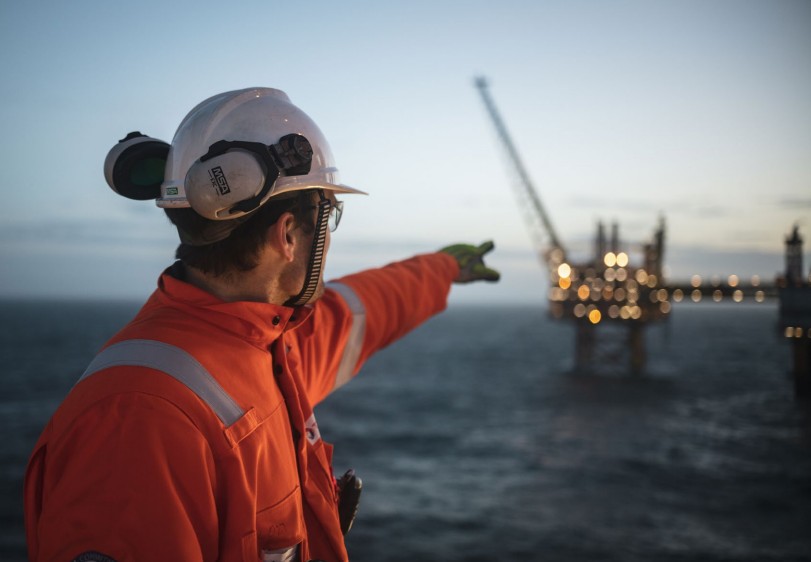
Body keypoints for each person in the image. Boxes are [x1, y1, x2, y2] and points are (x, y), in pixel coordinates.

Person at [23, 87, 499, 562]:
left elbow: (362, 310)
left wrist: (442, 268)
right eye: (328, 215)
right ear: (288, 234)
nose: (329, 239)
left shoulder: (266, 347)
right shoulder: (140, 422)